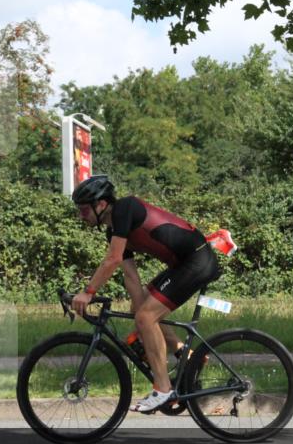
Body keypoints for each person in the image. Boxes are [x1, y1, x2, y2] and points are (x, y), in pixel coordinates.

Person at [69, 175, 221, 413]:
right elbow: (131, 277)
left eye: (84, 210)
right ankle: (186, 353)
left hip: (197, 259)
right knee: (139, 313)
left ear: (101, 204)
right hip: (183, 264)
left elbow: (113, 259)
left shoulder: (125, 208)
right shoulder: (114, 232)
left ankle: (162, 389)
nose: (81, 216)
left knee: (146, 317)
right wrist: (141, 318)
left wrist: (88, 292)